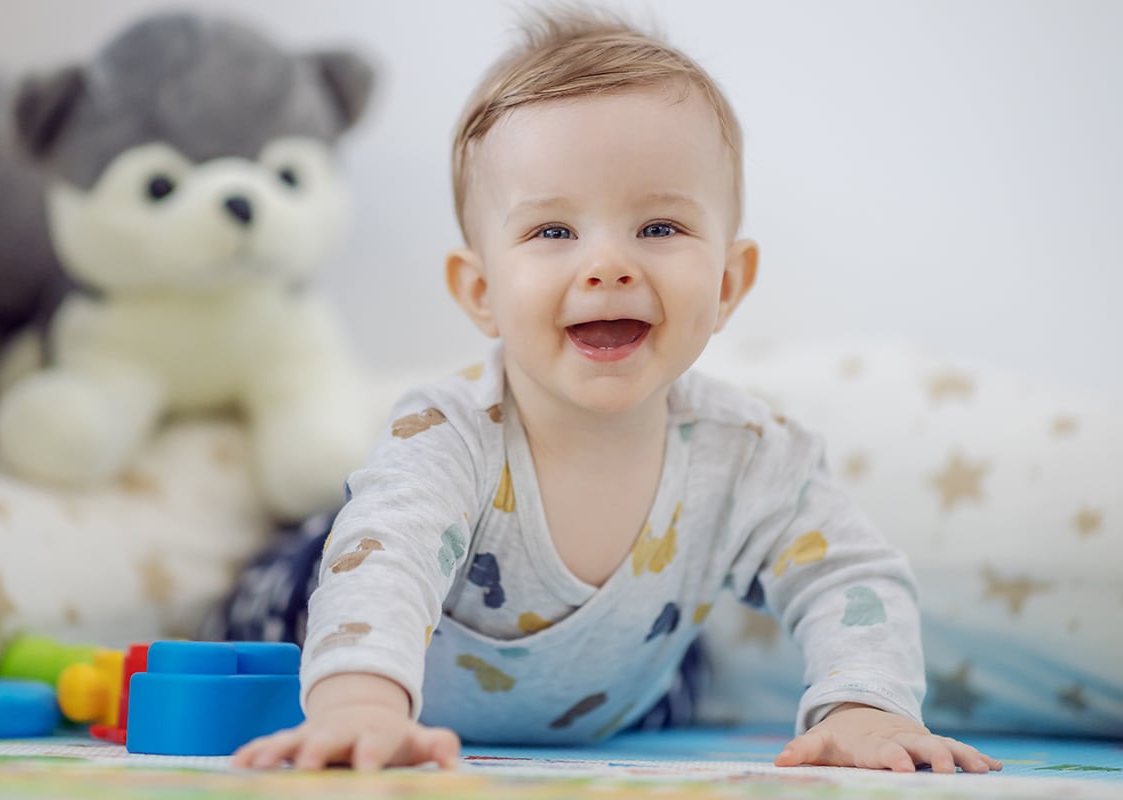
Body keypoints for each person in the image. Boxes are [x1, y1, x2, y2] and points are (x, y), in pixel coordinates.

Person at [228, 7, 1003, 774]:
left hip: (618, 690)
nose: (608, 265)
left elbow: (848, 574)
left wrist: (864, 708)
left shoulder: (749, 454)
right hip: (317, 623)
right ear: (480, 290)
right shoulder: (448, 432)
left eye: (659, 228)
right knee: (285, 607)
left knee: (686, 665)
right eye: (553, 232)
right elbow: (386, 558)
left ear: (730, 282)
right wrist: (359, 707)